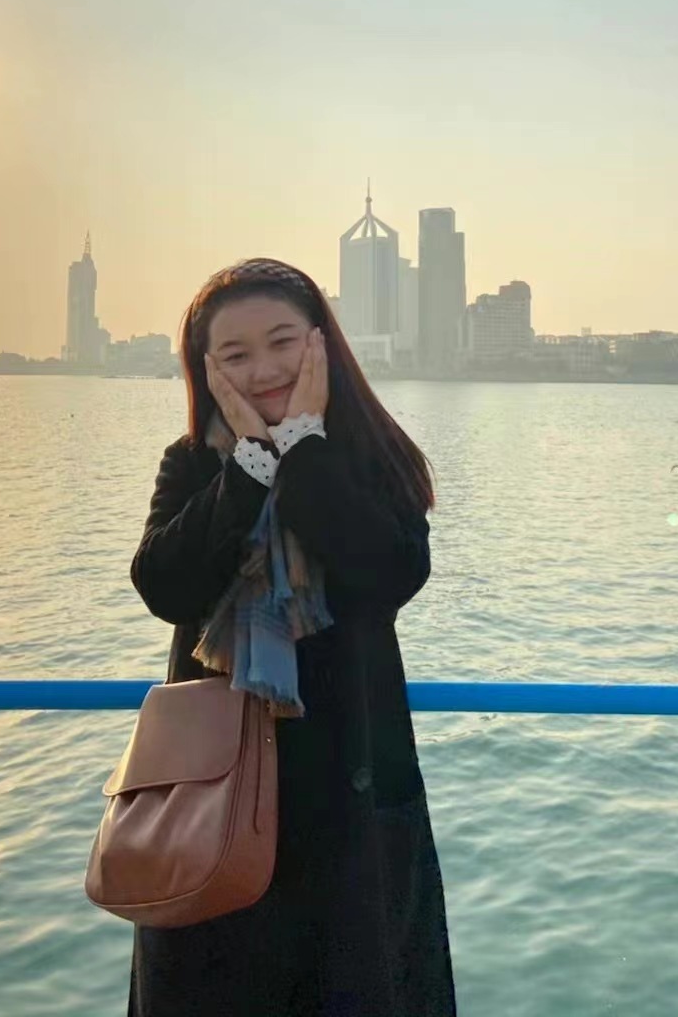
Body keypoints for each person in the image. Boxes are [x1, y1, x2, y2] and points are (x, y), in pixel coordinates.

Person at [128, 257, 457, 1017]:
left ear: (320, 344)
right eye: (235, 355)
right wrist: (249, 468)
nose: (264, 369)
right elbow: (164, 586)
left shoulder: (371, 457)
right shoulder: (193, 465)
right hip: (211, 799)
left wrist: (303, 449)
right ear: (208, 371)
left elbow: (391, 573)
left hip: (351, 795)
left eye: (282, 343)